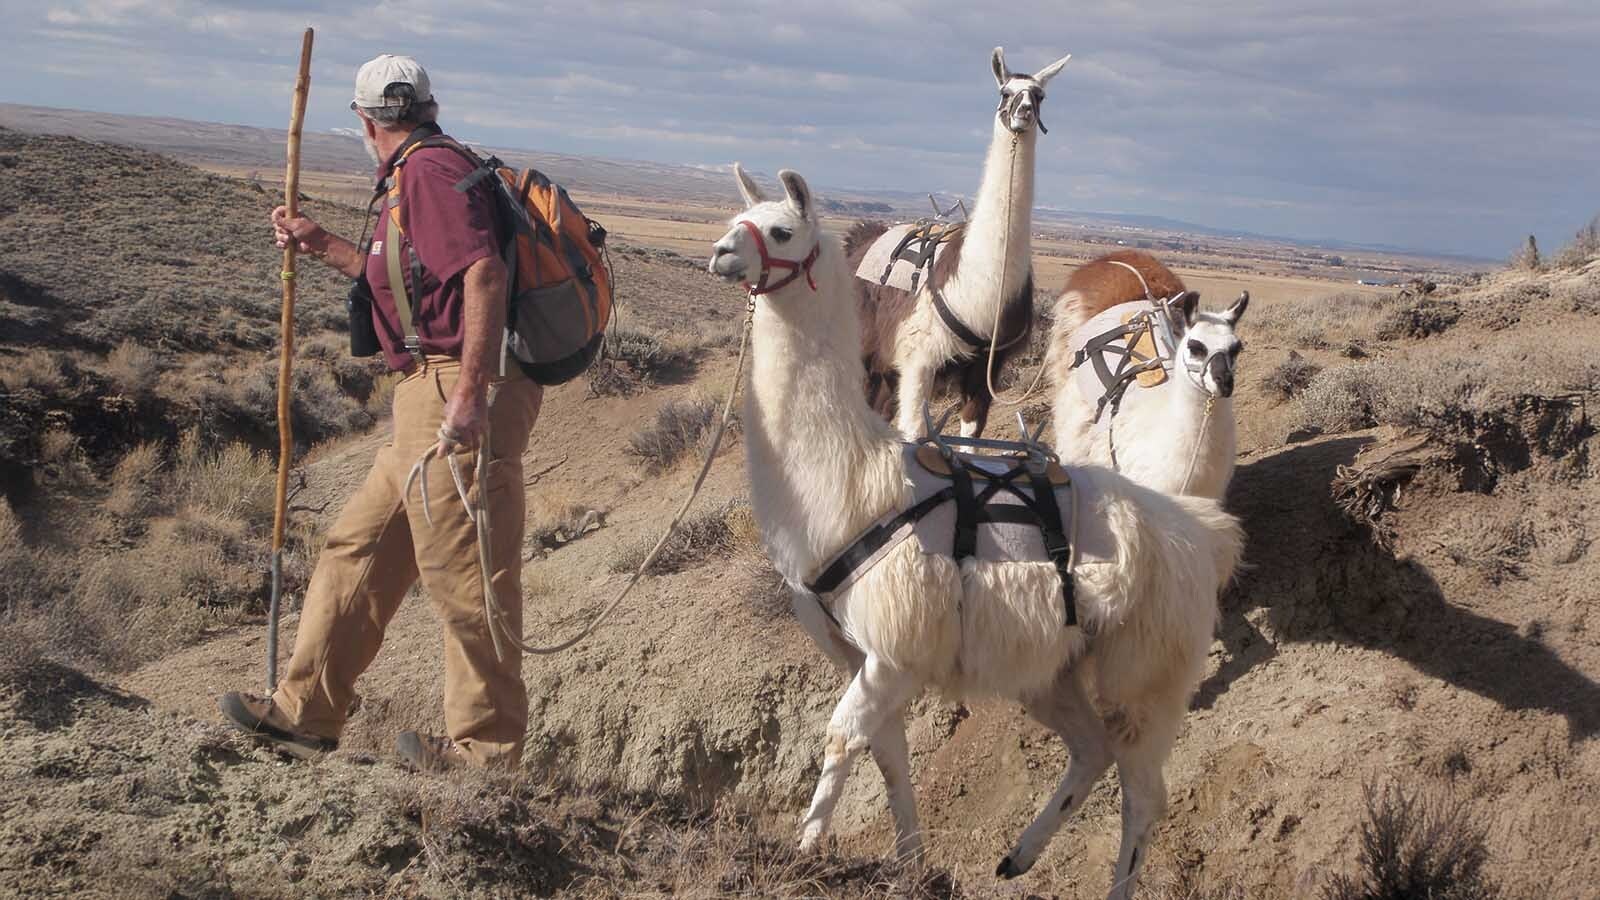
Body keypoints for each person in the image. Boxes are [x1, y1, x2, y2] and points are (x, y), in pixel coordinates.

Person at [219, 54, 542, 771]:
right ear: (427, 107)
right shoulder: (421, 171)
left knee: (465, 571)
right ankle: (306, 712)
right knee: (358, 548)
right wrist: (320, 244)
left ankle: (487, 756)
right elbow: (409, 279)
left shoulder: (427, 171)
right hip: (427, 392)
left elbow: (483, 273)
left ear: (366, 122)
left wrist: (470, 392)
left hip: (455, 385)